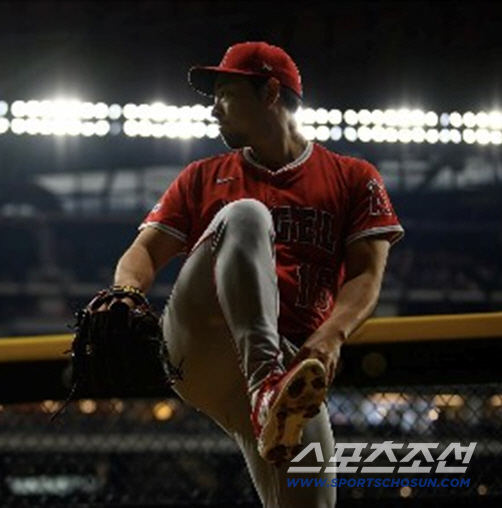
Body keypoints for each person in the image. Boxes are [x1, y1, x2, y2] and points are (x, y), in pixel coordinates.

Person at [112, 41, 404, 508]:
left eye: (225, 95)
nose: (214, 110)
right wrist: (126, 291)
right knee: (246, 214)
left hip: (292, 364)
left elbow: (367, 275)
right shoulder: (202, 175)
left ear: (270, 92)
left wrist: (331, 336)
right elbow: (144, 250)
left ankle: (268, 395)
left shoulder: (353, 176)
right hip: (203, 343)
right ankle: (264, 385)